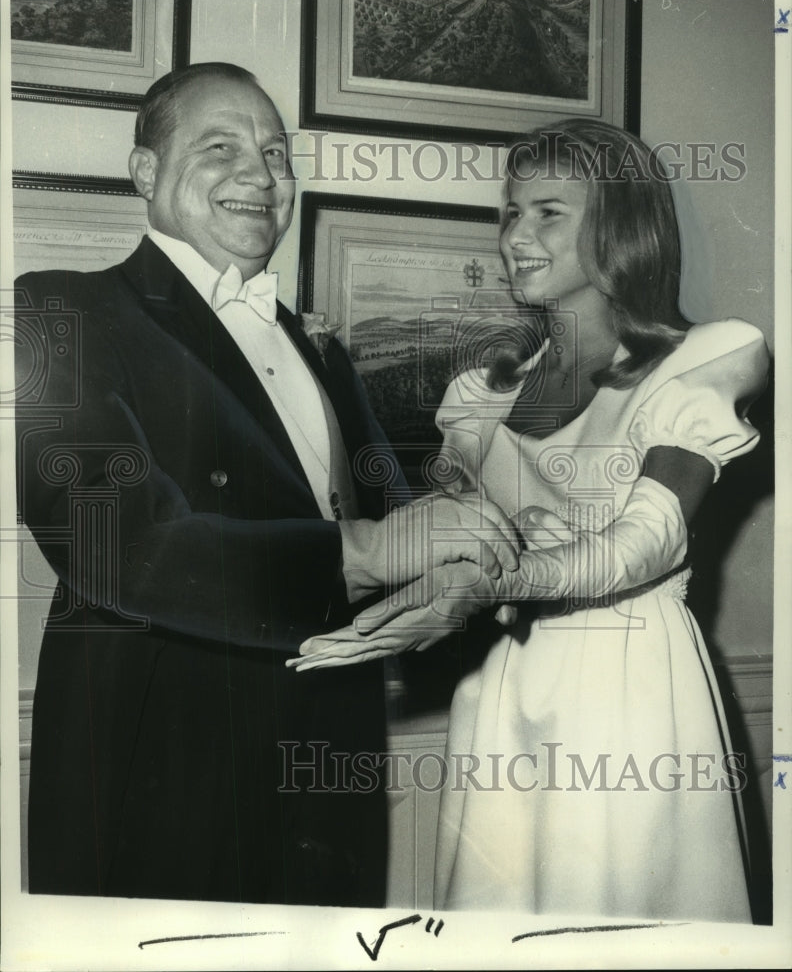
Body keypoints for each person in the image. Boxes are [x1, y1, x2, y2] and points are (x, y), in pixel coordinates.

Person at [14, 62, 520, 906]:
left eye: (276, 154)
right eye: (220, 148)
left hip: (329, 774)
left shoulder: (320, 346)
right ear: (146, 171)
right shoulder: (59, 312)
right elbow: (113, 542)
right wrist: (368, 551)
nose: (260, 174)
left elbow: (396, 522)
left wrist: (455, 579)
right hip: (164, 785)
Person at [292, 119, 770, 921]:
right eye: (510, 213)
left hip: (626, 687)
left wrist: (505, 581)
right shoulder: (486, 393)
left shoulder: (709, 355)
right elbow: (458, 532)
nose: (517, 236)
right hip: (507, 679)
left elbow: (641, 543)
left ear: (622, 225)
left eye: (549, 212)